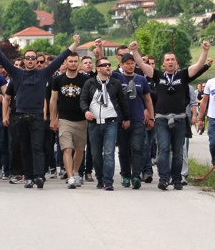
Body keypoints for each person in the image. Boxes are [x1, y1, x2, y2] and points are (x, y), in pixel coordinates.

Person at [0, 32, 80, 188]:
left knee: (37, 147)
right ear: (24, 61)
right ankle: (29, 177)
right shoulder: (17, 73)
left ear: (36, 60)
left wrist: (74, 45)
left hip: (37, 116)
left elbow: (59, 59)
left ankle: (39, 176)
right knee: (24, 148)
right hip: (20, 116)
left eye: (33, 58)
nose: (30, 60)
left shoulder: (43, 74)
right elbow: (2, 59)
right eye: (28, 58)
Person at [150, 42, 211, 190]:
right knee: (163, 149)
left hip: (179, 119)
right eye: (167, 60)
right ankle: (164, 178)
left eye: (173, 59)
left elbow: (198, 66)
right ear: (163, 63)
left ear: (177, 62)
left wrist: (205, 51)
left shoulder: (183, 75)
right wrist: (135, 51)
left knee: (178, 151)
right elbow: (141, 64)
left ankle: (177, 179)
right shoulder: (157, 75)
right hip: (162, 119)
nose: (170, 62)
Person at [80, 57, 130, 191]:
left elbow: (122, 102)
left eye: (109, 64)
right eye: (105, 65)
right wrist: (86, 111)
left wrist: (126, 118)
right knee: (96, 154)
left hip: (111, 123)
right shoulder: (89, 83)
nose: (108, 67)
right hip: (94, 123)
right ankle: (100, 178)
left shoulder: (115, 83)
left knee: (109, 153)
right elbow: (83, 100)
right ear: (98, 68)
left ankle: (108, 181)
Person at [113, 53, 154, 189]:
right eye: (127, 63)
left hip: (137, 120)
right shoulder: (117, 78)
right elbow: (102, 67)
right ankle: (125, 175)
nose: (130, 66)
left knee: (137, 149)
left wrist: (152, 117)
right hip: (121, 120)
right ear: (122, 65)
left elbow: (148, 99)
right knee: (123, 150)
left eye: (132, 63)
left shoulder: (141, 79)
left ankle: (136, 175)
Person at [50, 53, 89, 189]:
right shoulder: (58, 80)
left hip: (81, 119)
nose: (73, 64)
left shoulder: (84, 80)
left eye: (75, 61)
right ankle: (70, 177)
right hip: (64, 119)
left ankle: (75, 171)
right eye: (70, 61)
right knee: (67, 148)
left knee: (79, 149)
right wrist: (53, 118)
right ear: (65, 63)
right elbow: (54, 99)